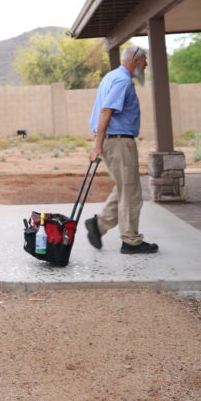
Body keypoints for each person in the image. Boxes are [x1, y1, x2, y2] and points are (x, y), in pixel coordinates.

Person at [85, 45, 159, 254]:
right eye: (144, 61)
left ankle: (98, 225)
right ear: (135, 60)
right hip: (118, 142)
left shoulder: (112, 76)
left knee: (125, 187)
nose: (146, 65)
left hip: (116, 141)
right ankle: (131, 241)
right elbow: (106, 110)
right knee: (131, 193)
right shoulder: (122, 80)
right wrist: (98, 146)